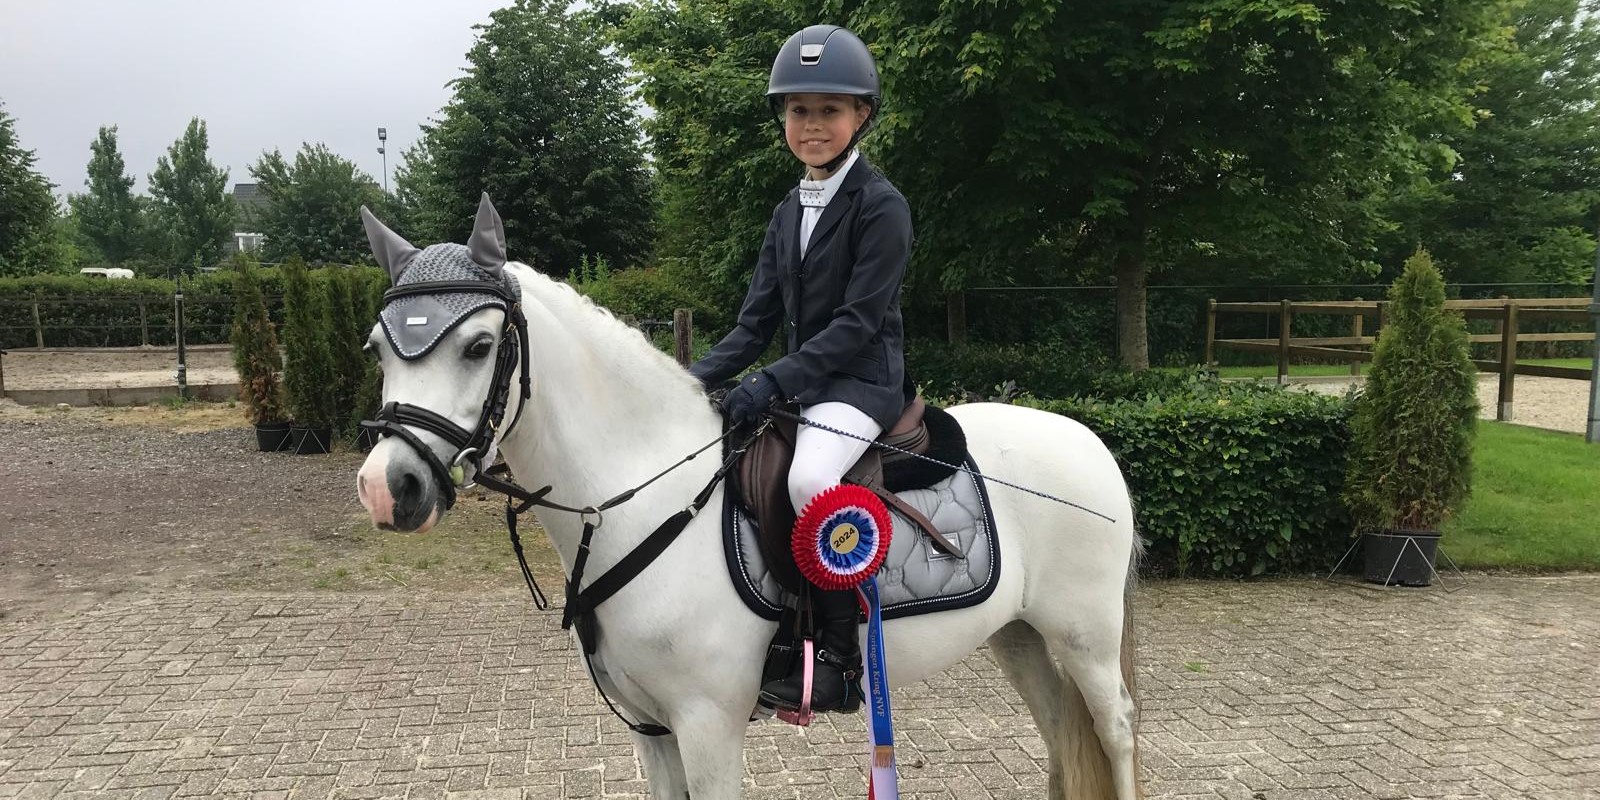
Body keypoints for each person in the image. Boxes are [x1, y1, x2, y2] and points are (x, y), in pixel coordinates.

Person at [688, 24, 912, 713]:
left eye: (828, 111)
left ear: (861, 116)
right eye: (798, 111)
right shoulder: (789, 209)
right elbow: (755, 323)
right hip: (806, 383)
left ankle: (841, 660)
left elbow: (854, 326)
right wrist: (689, 381)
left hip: (862, 380)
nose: (811, 126)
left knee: (810, 474)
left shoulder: (882, 206)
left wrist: (768, 384)